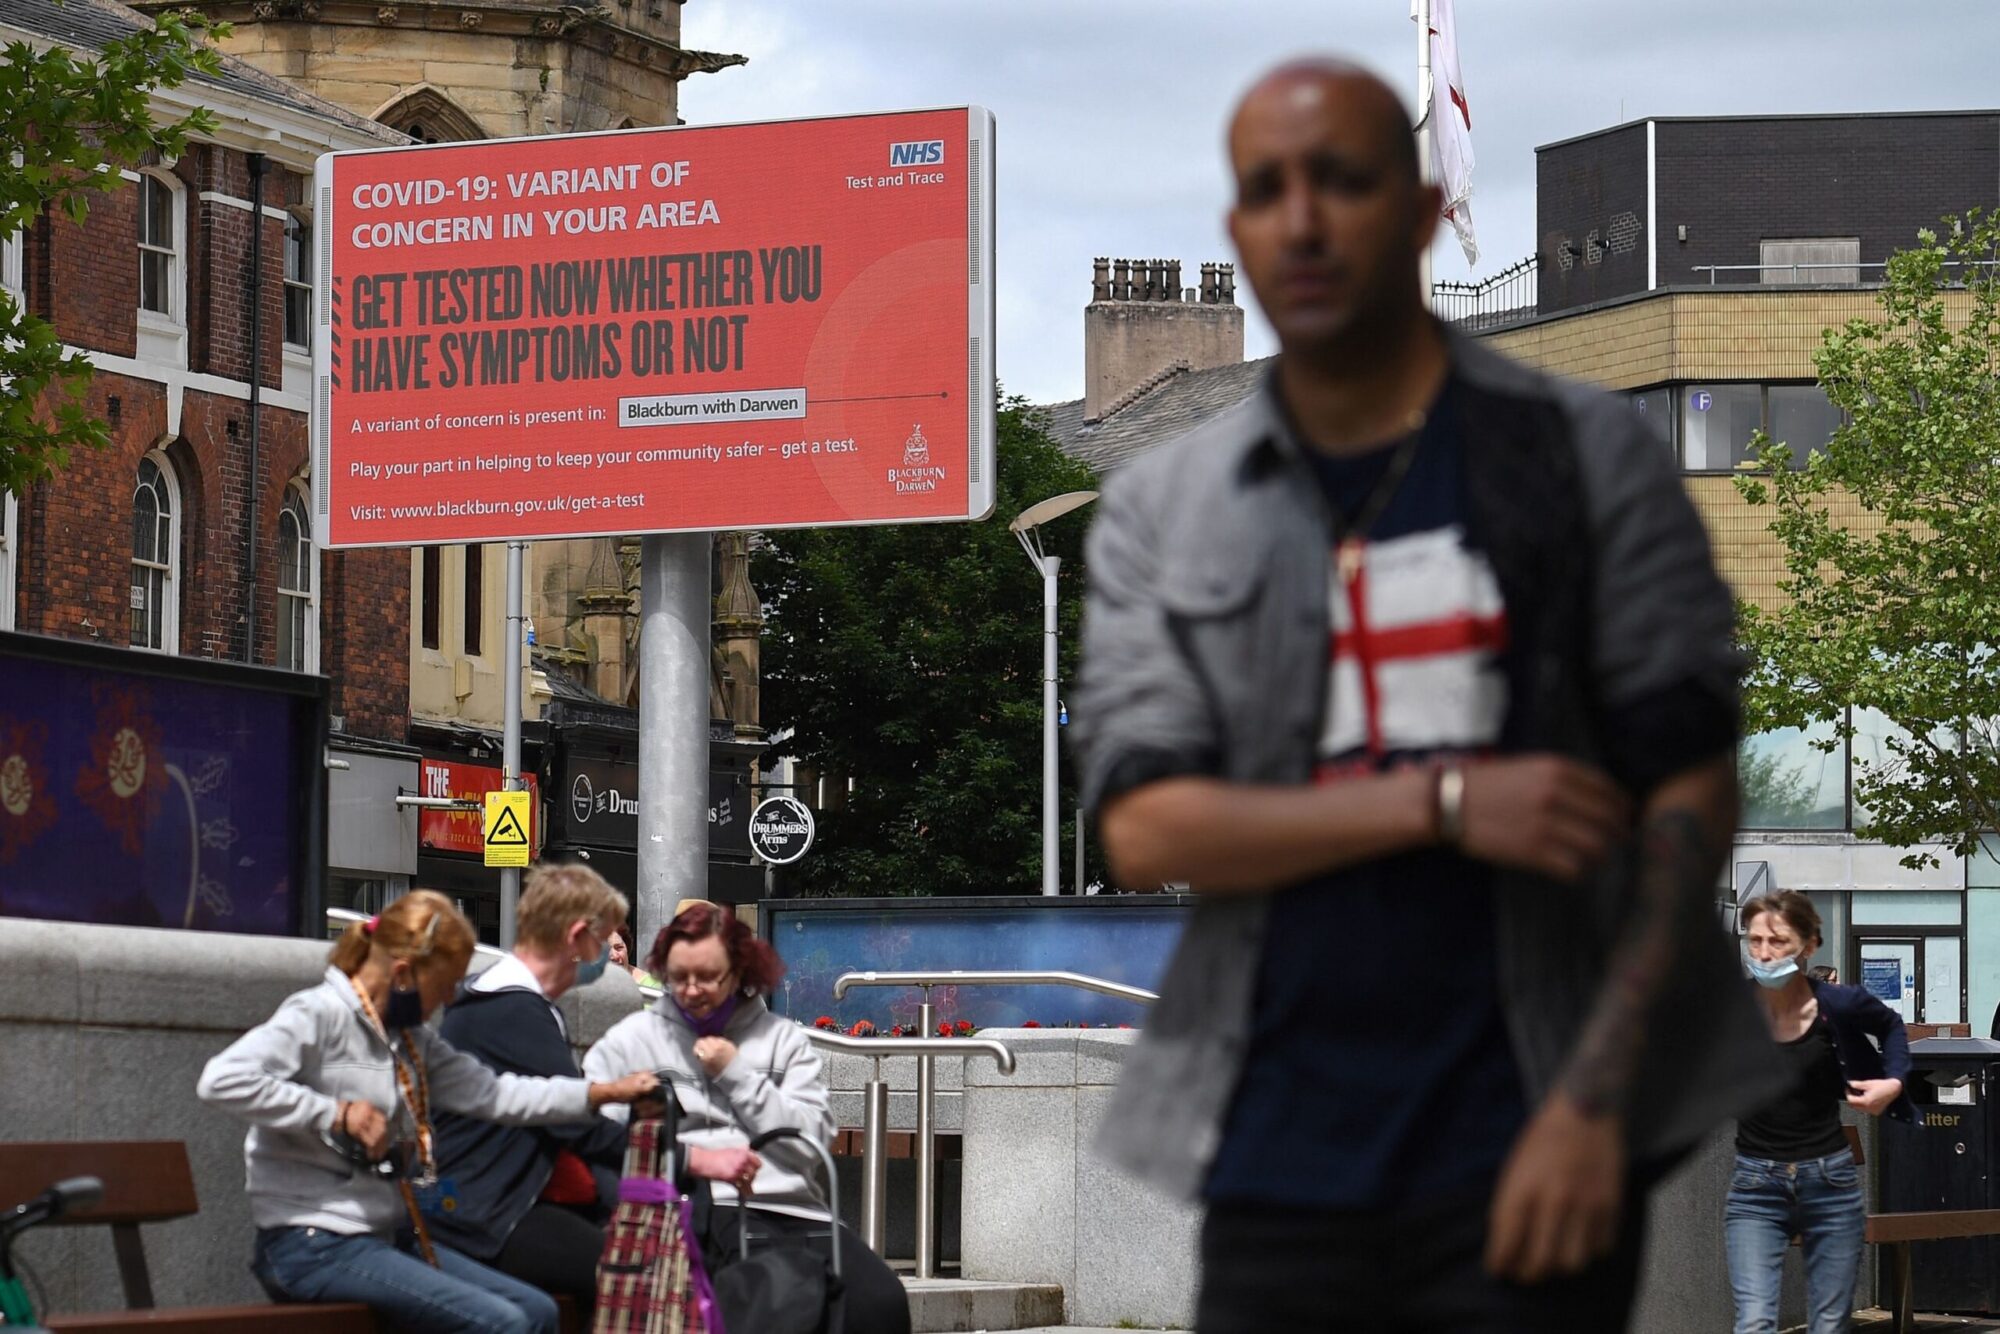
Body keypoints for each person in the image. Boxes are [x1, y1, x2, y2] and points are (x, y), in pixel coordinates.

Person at [1070, 57, 1786, 1332]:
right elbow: (1140, 827)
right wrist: (1442, 801)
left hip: (1528, 1109)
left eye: (1339, 180)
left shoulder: (1585, 453)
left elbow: (1687, 776)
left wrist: (1593, 1103)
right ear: (1234, 230)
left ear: (1412, 212)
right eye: (1262, 190)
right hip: (1282, 1134)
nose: (1299, 220)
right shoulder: (1166, 509)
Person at [196, 890, 660, 1334]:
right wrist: (336, 1114)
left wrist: (599, 1093)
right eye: (443, 986)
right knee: (506, 1323)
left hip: (384, 1233)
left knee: (537, 1312)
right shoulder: (319, 1015)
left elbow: (500, 1095)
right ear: (402, 974)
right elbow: (222, 1079)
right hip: (311, 1241)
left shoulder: (411, 1040)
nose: (451, 1001)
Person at [585, 901, 912, 1334]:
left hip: (793, 1208)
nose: (692, 990)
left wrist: (737, 1074)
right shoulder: (633, 1040)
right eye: (679, 977)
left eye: (708, 977)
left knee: (880, 1301)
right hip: (698, 1206)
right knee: (774, 1296)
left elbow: (808, 1143)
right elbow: (596, 1129)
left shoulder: (782, 1040)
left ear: (739, 974)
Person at [1729, 891, 1910, 1334]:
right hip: (1755, 1185)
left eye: (1778, 941)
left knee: (1829, 1324)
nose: (1764, 953)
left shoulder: (1837, 1004)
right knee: (1753, 1320)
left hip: (1829, 1180)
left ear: (1809, 946)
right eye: (1754, 941)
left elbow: (1890, 1026)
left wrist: (1893, 1081)